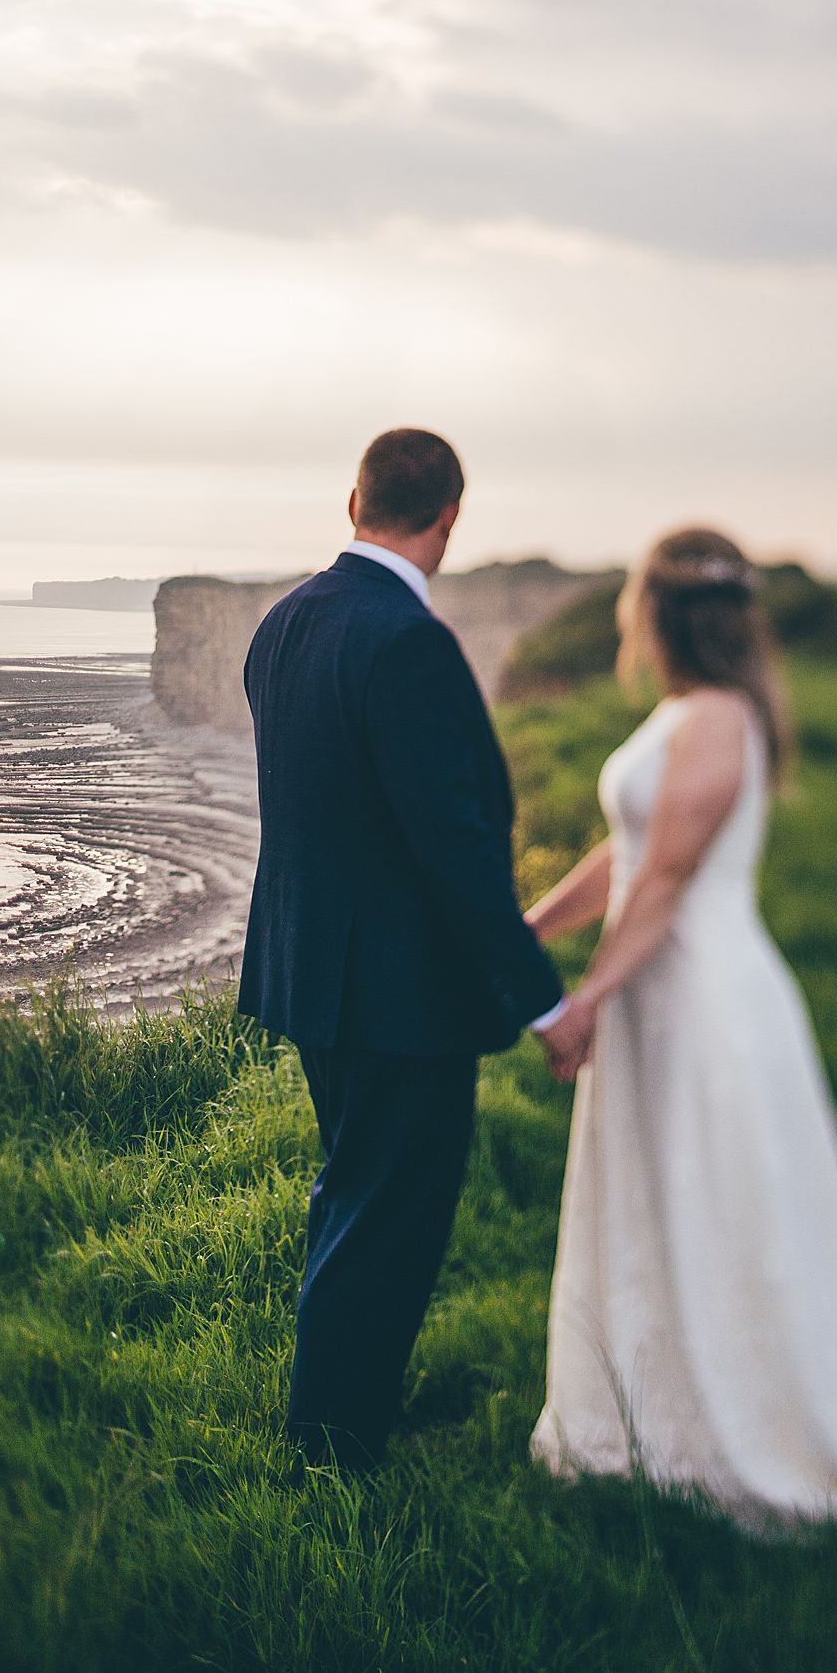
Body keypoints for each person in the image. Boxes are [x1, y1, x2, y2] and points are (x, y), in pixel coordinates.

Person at [528, 526, 837, 1530]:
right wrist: (537, 925)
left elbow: (672, 880)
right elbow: (629, 851)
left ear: (660, 610)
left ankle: (735, 1421)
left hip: (706, 1002)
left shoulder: (721, 716)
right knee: (653, 1194)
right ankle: (643, 1404)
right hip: (661, 986)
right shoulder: (686, 710)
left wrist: (589, 995)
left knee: (714, 1197)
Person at [238, 428, 569, 1471]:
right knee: (390, 1219)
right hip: (397, 996)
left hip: (311, 974)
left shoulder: (284, 622)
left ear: (354, 500)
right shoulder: (409, 640)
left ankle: (331, 1415)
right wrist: (541, 1000)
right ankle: (334, 1449)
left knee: (354, 1193)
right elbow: (454, 843)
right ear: (451, 517)